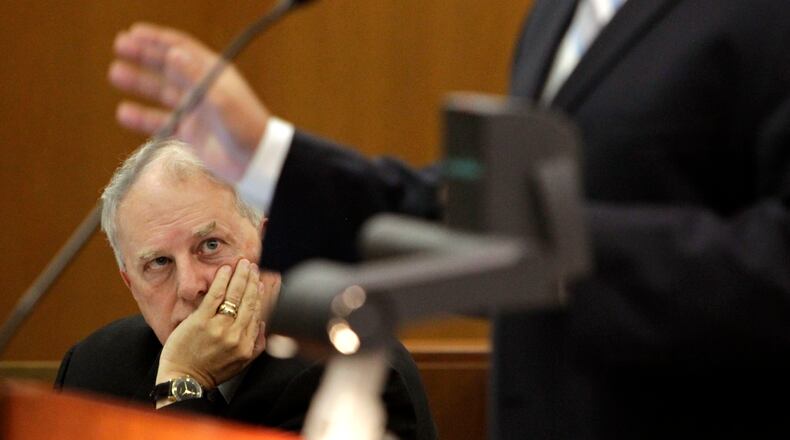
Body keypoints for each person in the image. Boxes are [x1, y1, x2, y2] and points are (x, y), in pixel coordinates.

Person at [107, 1, 790, 438]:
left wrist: (551, 252)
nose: (192, 283)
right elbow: (477, 212)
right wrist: (269, 155)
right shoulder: (557, 14)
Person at [55, 139, 437, 440]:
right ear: (131, 284)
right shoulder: (92, 372)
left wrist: (182, 384)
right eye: (159, 263)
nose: (191, 286)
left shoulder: (353, 374)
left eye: (210, 246)